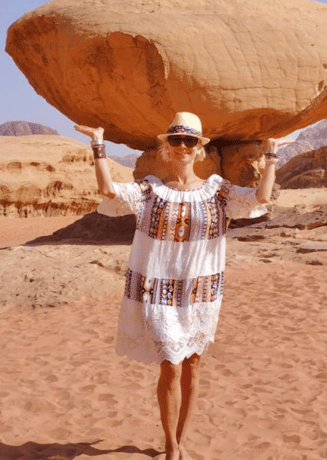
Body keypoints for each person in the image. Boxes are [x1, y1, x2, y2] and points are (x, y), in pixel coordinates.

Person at [75, 112, 286, 460]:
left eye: (190, 141)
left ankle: (181, 440)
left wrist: (273, 153)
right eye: (176, 140)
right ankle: (171, 446)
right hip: (158, 294)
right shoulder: (150, 191)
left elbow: (261, 198)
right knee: (170, 364)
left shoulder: (218, 190)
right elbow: (108, 191)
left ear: (199, 149)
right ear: (167, 148)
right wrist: (98, 144)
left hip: (200, 295)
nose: (183, 147)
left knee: (192, 365)